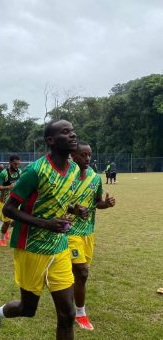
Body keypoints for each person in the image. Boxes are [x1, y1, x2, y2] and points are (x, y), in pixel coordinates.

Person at [0, 120, 92, 340]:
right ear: (49, 141)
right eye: (65, 132)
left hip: (59, 247)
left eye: (73, 130)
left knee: (67, 313)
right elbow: (9, 209)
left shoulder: (72, 169)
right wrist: (45, 224)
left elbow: (60, 199)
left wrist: (75, 209)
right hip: (30, 247)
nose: (72, 134)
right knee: (28, 309)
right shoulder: (35, 171)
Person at [69, 141, 116, 330]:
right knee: (82, 272)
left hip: (88, 233)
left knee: (77, 274)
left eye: (89, 155)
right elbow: (55, 202)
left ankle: (64, 292)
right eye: (83, 155)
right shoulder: (65, 177)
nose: (87, 158)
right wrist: (74, 210)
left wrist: (107, 203)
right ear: (73, 156)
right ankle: (80, 314)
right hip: (69, 231)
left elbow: (97, 203)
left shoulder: (95, 178)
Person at [0, 155, 22, 246]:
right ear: (10, 163)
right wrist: (8, 187)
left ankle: (7, 228)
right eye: (15, 164)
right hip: (4, 201)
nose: (17, 166)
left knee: (17, 220)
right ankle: (2, 239)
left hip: (16, 200)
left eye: (18, 164)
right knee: (6, 222)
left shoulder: (20, 172)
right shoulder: (4, 174)